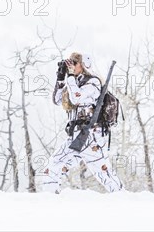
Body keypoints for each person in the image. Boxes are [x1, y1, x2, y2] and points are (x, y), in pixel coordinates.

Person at [42, 52, 123, 194]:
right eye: (70, 61)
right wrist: (61, 78)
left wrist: (71, 77)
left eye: (75, 62)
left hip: (90, 135)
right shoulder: (73, 82)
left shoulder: (93, 82)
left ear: (83, 65)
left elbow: (77, 99)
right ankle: (50, 197)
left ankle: (121, 196)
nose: (71, 64)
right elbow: (57, 100)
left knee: (102, 172)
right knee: (56, 163)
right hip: (77, 135)